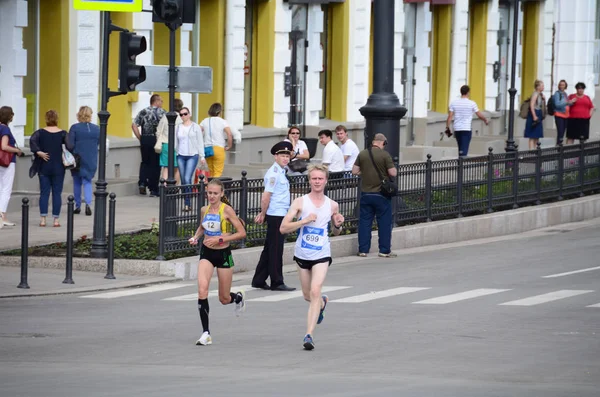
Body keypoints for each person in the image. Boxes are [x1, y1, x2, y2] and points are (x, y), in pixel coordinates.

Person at [280, 164, 345, 350]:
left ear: (326, 181)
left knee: (315, 290)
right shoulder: (300, 202)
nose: (317, 182)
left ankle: (309, 335)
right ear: (309, 180)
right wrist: (304, 221)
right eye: (314, 178)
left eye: (320, 179)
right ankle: (322, 303)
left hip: (321, 254)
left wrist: (338, 225)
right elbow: (283, 227)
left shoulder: (332, 205)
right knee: (308, 295)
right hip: (302, 253)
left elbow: (335, 232)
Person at [188, 179, 247, 346]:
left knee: (224, 298)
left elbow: (242, 232)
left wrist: (221, 239)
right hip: (206, 253)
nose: (211, 196)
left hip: (223, 254)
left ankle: (238, 298)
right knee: (202, 290)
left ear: (221, 193)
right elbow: (202, 226)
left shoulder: (227, 210)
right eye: (209, 193)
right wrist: (195, 237)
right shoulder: (204, 210)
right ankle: (206, 333)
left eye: (215, 193)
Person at [251, 141, 296, 291]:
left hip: (280, 214)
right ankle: (277, 281)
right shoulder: (274, 174)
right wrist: (263, 213)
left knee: (269, 248)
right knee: (276, 249)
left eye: (287, 156)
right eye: (282, 155)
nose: (285, 158)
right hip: (276, 215)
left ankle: (258, 279)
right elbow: (266, 196)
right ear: (275, 156)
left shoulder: (281, 171)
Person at [352, 133, 397, 258]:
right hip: (381, 195)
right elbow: (392, 172)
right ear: (383, 143)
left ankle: (363, 250)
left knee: (365, 222)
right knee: (384, 223)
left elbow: (354, 171)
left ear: (373, 142)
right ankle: (384, 250)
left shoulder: (362, 154)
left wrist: (365, 172)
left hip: (366, 194)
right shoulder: (385, 155)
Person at [30, 110, 67, 227]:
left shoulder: (40, 133)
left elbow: (32, 141)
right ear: (57, 119)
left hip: (44, 167)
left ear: (46, 119)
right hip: (58, 167)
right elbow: (71, 146)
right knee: (57, 193)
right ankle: (56, 220)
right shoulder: (63, 134)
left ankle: (43, 219)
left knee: (44, 193)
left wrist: (39, 152)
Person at [67, 106, 100, 216]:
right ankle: (88, 204)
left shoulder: (75, 128)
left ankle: (77, 206)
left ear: (79, 115)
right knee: (87, 182)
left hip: (77, 159)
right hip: (91, 158)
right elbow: (99, 143)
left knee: (77, 182)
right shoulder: (96, 129)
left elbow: (70, 145)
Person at [132, 94, 166, 197]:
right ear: (156, 101)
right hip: (157, 140)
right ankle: (153, 189)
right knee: (155, 164)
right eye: (161, 101)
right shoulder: (162, 112)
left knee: (145, 162)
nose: (161, 103)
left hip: (145, 139)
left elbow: (134, 125)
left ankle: (142, 183)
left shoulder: (143, 111)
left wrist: (140, 137)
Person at [445, 85, 489, 158]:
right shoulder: (472, 103)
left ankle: (460, 165)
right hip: (466, 129)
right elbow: (479, 115)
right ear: (468, 92)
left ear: (461, 92)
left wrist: (447, 128)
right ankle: (461, 167)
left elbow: (450, 117)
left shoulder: (454, 103)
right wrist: (485, 120)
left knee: (460, 148)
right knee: (463, 151)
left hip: (457, 129)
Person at [177, 107, 206, 211]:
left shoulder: (195, 127)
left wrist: (202, 156)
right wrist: (175, 153)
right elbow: (176, 141)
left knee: (187, 178)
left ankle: (187, 203)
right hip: (180, 154)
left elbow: (200, 141)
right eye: (181, 115)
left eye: (185, 114)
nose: (183, 116)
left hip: (192, 155)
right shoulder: (178, 127)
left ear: (189, 114)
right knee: (183, 180)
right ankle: (186, 200)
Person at [0, 106, 23, 228]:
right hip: (7, 162)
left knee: (0, 188)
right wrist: (17, 151)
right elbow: (4, 146)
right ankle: (2, 216)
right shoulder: (5, 130)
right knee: (6, 189)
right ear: (9, 116)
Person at [199, 103, 233, 178]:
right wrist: (229, 145)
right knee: (218, 172)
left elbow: (198, 131)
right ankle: (214, 188)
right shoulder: (223, 121)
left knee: (211, 172)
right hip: (219, 148)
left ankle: (208, 187)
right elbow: (229, 134)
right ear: (219, 112)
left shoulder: (205, 121)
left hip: (207, 148)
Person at [155, 98, 183, 185]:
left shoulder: (165, 116)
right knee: (177, 168)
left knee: (166, 168)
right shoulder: (181, 118)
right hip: (177, 146)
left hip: (165, 145)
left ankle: (164, 188)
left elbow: (158, 131)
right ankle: (175, 189)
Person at [524, 80, 546, 150]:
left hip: (538, 113)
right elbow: (532, 105)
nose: (543, 87)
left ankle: (536, 149)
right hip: (534, 114)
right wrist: (534, 116)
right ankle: (531, 150)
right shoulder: (535, 94)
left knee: (537, 134)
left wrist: (544, 99)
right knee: (532, 134)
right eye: (542, 86)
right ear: (538, 87)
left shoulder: (540, 95)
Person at [552, 80, 571, 146]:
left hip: (566, 115)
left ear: (565, 86)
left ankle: (560, 145)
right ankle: (558, 146)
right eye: (560, 85)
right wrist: (567, 102)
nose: (561, 86)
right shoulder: (557, 94)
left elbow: (567, 104)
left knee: (563, 132)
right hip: (559, 115)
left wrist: (571, 103)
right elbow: (557, 104)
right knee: (560, 131)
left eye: (563, 85)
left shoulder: (565, 94)